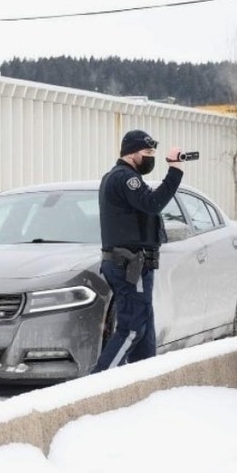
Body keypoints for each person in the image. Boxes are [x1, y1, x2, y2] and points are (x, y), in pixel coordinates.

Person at [93, 129, 189, 372]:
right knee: (133, 328)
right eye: (147, 153)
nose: (151, 158)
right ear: (131, 153)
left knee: (145, 333)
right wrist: (175, 171)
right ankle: (96, 385)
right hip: (130, 266)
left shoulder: (122, 177)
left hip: (135, 265)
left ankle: (144, 383)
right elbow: (153, 203)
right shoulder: (125, 178)